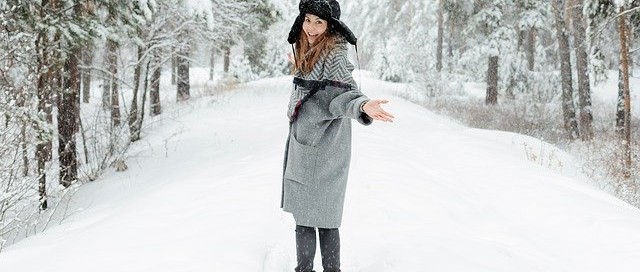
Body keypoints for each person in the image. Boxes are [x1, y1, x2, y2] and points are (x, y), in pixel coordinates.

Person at [280, 1, 394, 271]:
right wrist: (298, 65)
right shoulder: (308, 49)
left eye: (319, 22)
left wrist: (363, 106)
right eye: (308, 20)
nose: (311, 27)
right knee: (305, 218)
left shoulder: (335, 56)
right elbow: (313, 87)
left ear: (330, 25)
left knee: (324, 220)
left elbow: (344, 95)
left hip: (325, 150)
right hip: (306, 146)